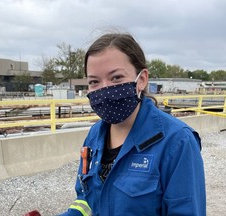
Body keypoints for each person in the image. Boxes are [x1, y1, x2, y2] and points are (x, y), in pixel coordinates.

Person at [59, 32, 206, 216]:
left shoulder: (177, 141)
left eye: (116, 78)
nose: (104, 89)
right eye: (94, 82)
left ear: (141, 79)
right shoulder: (94, 136)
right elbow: (86, 201)